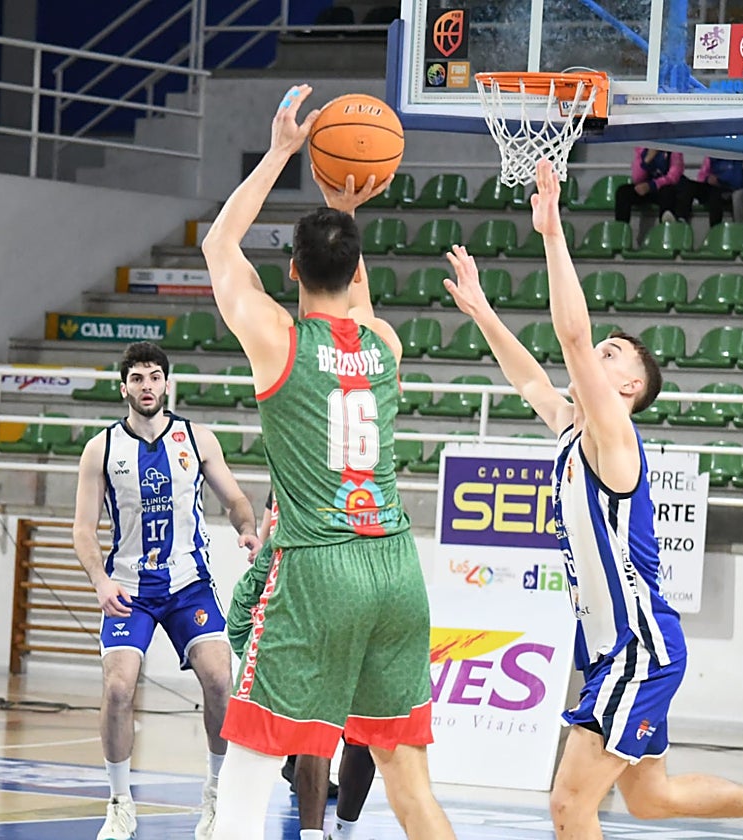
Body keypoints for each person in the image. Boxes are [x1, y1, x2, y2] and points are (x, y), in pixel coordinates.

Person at [442, 157, 743, 840]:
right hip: (621, 647)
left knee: (569, 807)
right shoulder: (575, 428)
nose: (595, 356)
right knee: (650, 799)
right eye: (603, 349)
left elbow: (570, 337)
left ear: (629, 391)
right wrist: (484, 312)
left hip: (637, 648)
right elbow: (529, 380)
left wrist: (552, 234)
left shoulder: (615, 436)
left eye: (614, 355)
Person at [201, 83, 455, 840]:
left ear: (291, 275)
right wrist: (345, 209)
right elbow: (353, 293)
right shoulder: (384, 345)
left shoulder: (278, 339)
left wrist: (282, 151)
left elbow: (219, 247)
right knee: (407, 775)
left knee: (251, 750)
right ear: (354, 275)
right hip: (397, 570)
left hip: (320, 566)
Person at [71, 340, 261, 840]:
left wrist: (246, 527)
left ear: (167, 383)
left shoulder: (197, 439)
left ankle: (216, 795)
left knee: (221, 680)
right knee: (117, 687)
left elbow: (236, 498)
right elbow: (83, 529)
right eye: (137, 378)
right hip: (128, 586)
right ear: (123, 387)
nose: (147, 385)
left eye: (154, 376)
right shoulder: (102, 449)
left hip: (188, 583)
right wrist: (100, 581)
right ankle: (119, 803)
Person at [227, 490, 377, 840]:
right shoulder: (287, 481)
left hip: (351, 602)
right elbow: (266, 545)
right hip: (289, 608)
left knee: (362, 733)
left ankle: (341, 832)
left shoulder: (360, 488)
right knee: (313, 726)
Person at [614, 148, 690, 224]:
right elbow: (637, 179)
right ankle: (620, 228)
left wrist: (652, 185)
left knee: (667, 191)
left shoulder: (673, 150)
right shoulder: (641, 150)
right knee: (623, 192)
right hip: (646, 189)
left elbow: (674, 177)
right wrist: (647, 160)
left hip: (663, 188)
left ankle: (665, 227)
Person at [687, 157, 743, 227]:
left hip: (733, 189)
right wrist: (708, 178)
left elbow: (741, 179)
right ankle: (681, 220)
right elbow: (701, 176)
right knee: (690, 186)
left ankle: (716, 230)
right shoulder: (712, 157)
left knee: (716, 196)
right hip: (714, 188)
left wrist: (721, 180)